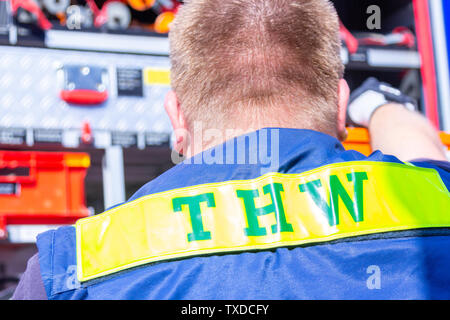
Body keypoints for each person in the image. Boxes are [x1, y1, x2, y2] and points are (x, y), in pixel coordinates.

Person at [13, 0, 450, 300]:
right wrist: (378, 106)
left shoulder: (71, 270)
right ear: (339, 106)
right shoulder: (432, 207)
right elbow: (425, 157)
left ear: (177, 118)